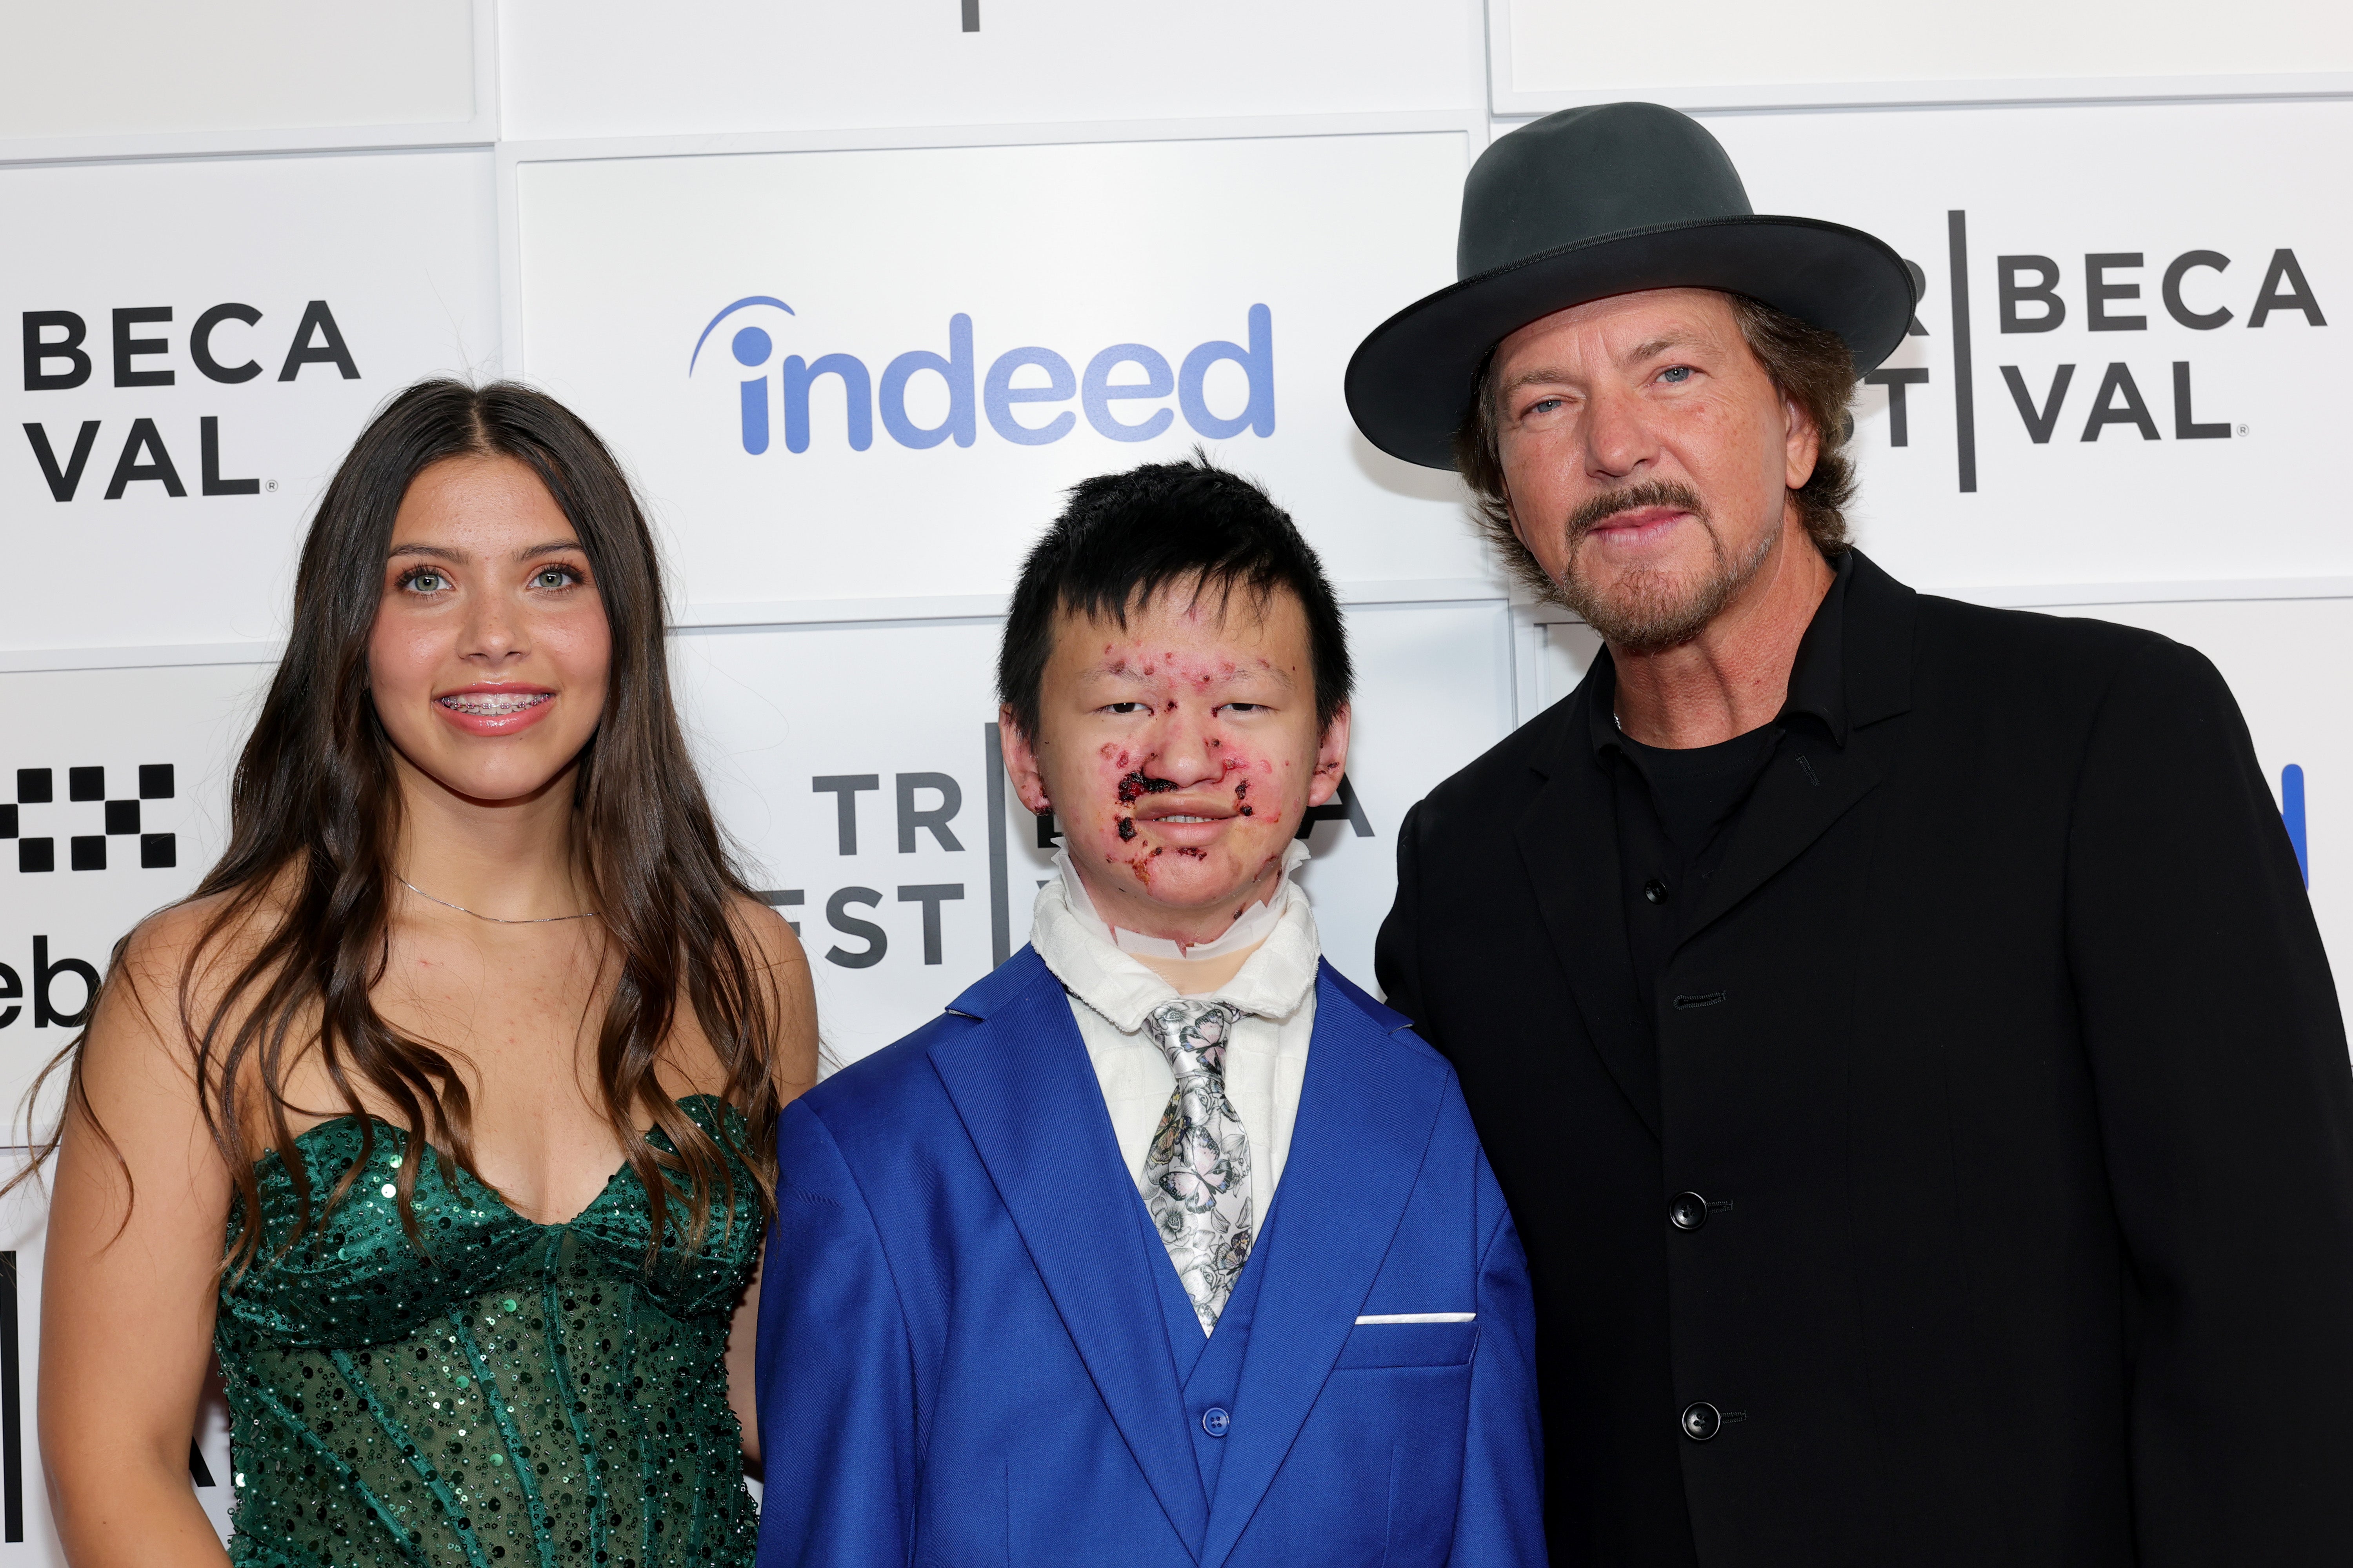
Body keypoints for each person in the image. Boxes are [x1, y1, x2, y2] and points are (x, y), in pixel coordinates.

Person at [1351, 102, 2353, 1566]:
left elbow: (2274, 1311)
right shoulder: (1464, 866)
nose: (1615, 445)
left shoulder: (2102, 739)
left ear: (1799, 421)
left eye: (1672, 372)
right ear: (1506, 481)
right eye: (1545, 405)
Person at [29, 380, 818, 1568]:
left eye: (553, 577)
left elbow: (780, 1391)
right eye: (426, 582)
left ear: (621, 621)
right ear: (351, 630)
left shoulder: (740, 965)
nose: (494, 633)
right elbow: (113, 1466)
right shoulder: (203, 985)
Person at [753, 456, 1544, 1568]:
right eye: (1125, 706)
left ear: (1328, 750)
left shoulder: (1438, 1121)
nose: (1182, 756)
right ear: (1026, 756)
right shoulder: (873, 1154)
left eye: (1243, 705)